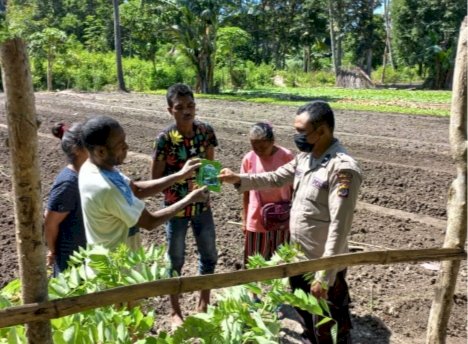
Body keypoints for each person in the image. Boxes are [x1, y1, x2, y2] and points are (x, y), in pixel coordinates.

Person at [219, 101, 362, 344]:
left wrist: (324, 277)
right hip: (298, 257)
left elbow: (340, 225)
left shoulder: (342, 169)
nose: (297, 137)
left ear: (323, 131)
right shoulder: (305, 158)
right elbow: (275, 177)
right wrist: (238, 179)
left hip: (321, 263)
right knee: (307, 316)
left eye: (301, 132)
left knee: (330, 324)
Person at [78, 115, 208, 253]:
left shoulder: (97, 167)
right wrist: (190, 198)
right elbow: (150, 222)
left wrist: (180, 175)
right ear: (101, 151)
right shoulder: (107, 188)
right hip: (117, 269)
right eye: (121, 145)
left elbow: (136, 190)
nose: (127, 147)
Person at [151, 83, 218, 329]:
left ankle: (203, 303)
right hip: (176, 208)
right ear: (170, 110)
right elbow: (155, 178)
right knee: (175, 259)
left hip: (202, 206)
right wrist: (181, 175)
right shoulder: (164, 139)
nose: (187, 111)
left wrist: (206, 190)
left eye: (190, 106)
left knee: (209, 255)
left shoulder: (205, 131)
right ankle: (175, 311)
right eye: (180, 107)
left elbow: (210, 166)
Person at [241, 122, 294, 265]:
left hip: (282, 218)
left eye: (263, 147)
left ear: (272, 141)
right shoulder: (249, 159)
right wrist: (245, 219)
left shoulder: (286, 156)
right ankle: (252, 288)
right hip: (257, 218)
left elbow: (295, 188)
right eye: (254, 147)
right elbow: (245, 192)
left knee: (281, 262)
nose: (259, 151)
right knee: (254, 263)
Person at [44, 122, 88, 277]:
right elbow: (50, 223)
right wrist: (53, 251)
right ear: (77, 150)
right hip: (71, 258)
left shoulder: (86, 175)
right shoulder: (68, 184)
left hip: (86, 253)